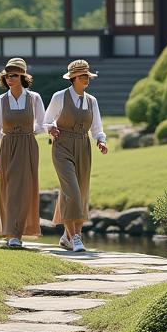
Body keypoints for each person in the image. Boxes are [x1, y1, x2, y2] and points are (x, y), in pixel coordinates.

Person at [44, 58, 108, 253]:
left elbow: (97, 126)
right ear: (73, 78)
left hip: (83, 147)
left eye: (87, 75)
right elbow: (46, 121)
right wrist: (51, 129)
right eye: (82, 76)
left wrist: (100, 140)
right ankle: (76, 237)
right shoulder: (59, 97)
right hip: (62, 146)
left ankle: (67, 236)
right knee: (71, 190)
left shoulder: (92, 101)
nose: (86, 79)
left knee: (81, 192)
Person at [0, 57, 45, 248]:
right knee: (9, 189)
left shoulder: (34, 98)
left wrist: (29, 132)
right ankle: (11, 232)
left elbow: (41, 124)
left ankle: (17, 232)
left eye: (14, 75)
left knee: (25, 190)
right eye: (7, 76)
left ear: (22, 76)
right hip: (7, 146)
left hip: (28, 145)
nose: (10, 79)